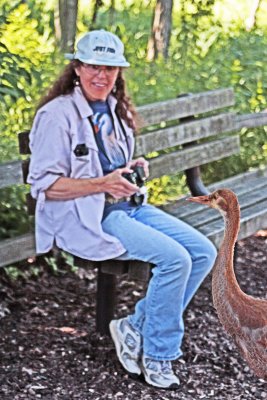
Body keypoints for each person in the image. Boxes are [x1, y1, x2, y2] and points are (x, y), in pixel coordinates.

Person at [28, 29, 217, 390]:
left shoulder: (114, 108)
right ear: (78, 68)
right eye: (94, 67)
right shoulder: (56, 116)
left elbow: (106, 162)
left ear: (119, 72)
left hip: (126, 206)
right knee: (175, 259)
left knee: (202, 251)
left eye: (110, 68)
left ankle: (134, 326)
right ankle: (159, 354)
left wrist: (131, 166)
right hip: (88, 215)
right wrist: (102, 184)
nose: (102, 76)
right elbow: (45, 185)